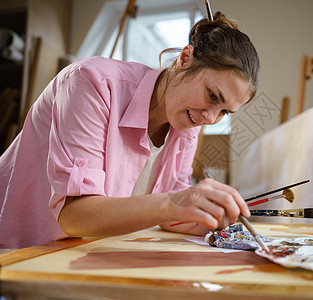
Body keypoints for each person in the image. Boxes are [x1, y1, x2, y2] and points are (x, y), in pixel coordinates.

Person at [0, 11, 260, 249]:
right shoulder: (92, 83)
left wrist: (210, 216)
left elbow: (171, 215)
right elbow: (75, 216)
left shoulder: (188, 121)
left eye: (224, 111)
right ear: (184, 59)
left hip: (77, 253)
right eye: (212, 95)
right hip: (20, 250)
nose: (210, 118)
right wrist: (175, 202)